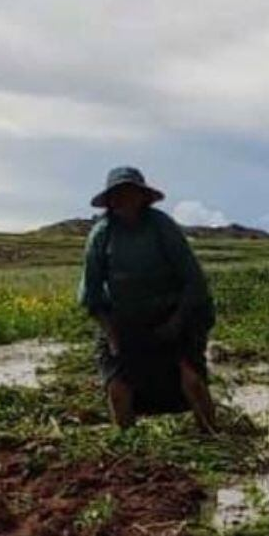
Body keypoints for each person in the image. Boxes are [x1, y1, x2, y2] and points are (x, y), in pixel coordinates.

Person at [77, 166, 218, 432]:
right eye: (117, 195)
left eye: (130, 194)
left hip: (175, 313)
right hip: (123, 321)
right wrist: (112, 336)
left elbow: (194, 281)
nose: (123, 201)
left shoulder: (162, 227)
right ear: (110, 201)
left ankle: (211, 435)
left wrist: (176, 323)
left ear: (142, 197)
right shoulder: (102, 234)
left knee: (191, 380)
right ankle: (129, 447)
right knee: (119, 387)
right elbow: (91, 297)